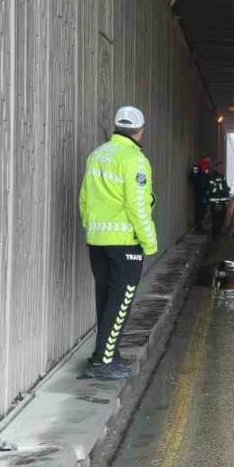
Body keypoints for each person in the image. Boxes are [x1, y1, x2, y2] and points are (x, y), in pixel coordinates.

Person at [79, 106, 157, 380]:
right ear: (140, 131)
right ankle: (102, 361)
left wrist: (92, 228)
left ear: (116, 127)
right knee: (121, 300)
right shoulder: (135, 160)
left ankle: (106, 353)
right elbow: (138, 206)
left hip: (97, 240)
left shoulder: (97, 155)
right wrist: (149, 242)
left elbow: (84, 198)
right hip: (124, 241)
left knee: (105, 298)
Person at [206, 162, 231, 237]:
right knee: (217, 217)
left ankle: (216, 233)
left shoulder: (213, 176)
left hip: (217, 200)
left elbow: (224, 188)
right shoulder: (216, 176)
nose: (220, 169)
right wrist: (227, 198)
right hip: (218, 201)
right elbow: (224, 188)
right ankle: (216, 233)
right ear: (215, 167)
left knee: (217, 217)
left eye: (221, 168)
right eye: (219, 167)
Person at [188, 155, 210, 232]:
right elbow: (193, 178)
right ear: (203, 159)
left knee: (203, 209)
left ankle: (200, 226)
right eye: (206, 160)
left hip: (204, 193)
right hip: (199, 192)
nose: (208, 162)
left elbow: (207, 179)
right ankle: (198, 227)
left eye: (208, 160)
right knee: (199, 209)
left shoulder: (206, 169)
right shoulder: (196, 168)